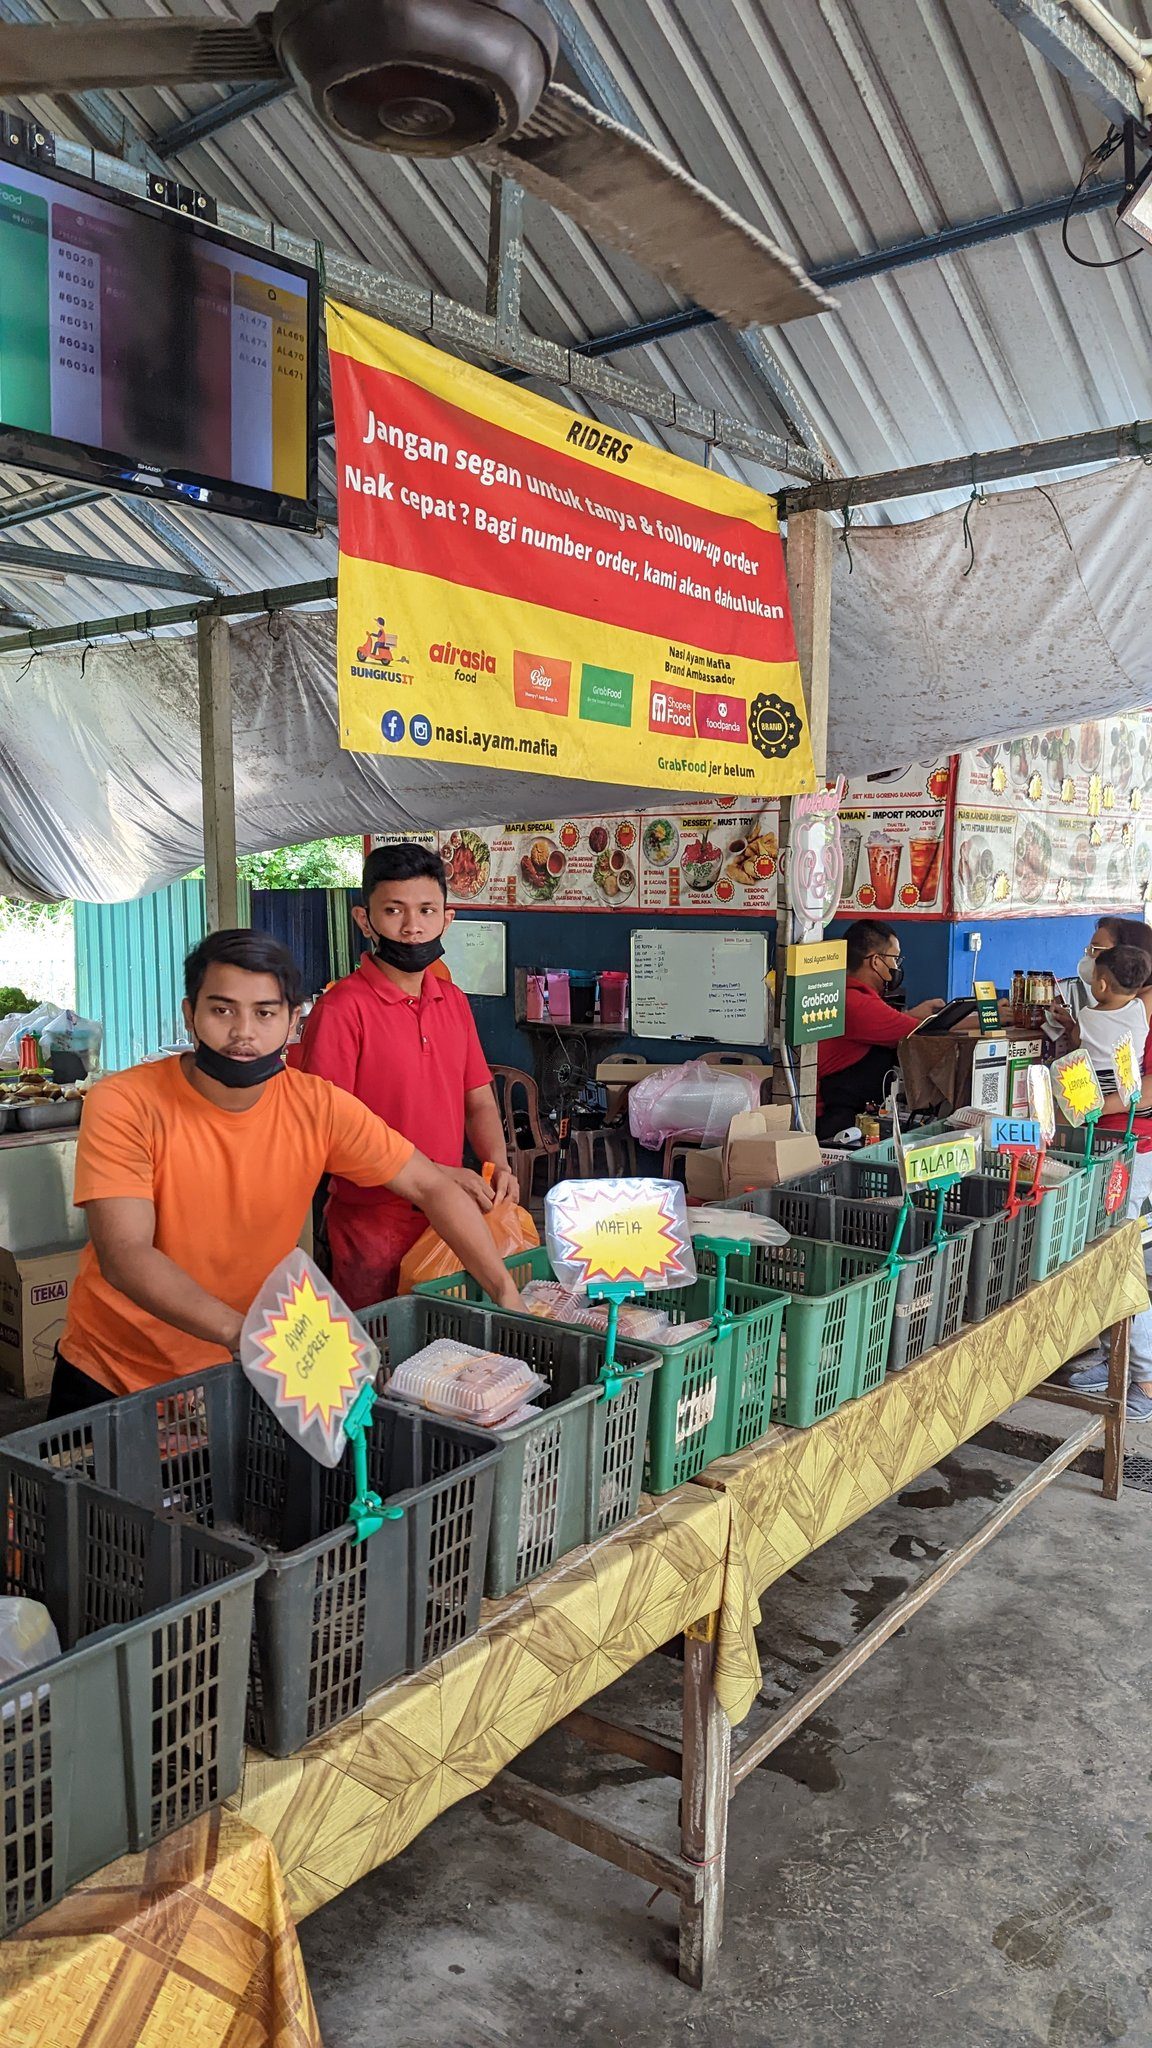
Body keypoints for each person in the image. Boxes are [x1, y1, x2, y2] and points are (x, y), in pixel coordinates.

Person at [48, 928, 522, 1416]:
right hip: (115, 1373)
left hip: (233, 1371)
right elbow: (124, 1253)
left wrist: (507, 1296)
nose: (243, 1033)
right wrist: (247, 1336)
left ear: (294, 1021)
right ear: (190, 1015)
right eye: (222, 1010)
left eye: (265, 1013)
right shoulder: (124, 1103)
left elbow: (430, 1186)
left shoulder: (316, 1106)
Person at [300, 841, 516, 1308]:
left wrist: (497, 1163)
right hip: (371, 1225)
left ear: (447, 918)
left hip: (454, 1218)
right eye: (394, 910)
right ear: (364, 919)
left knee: (448, 1354)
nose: (413, 927)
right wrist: (438, 1175)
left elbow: (478, 1098)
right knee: (382, 1352)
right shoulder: (341, 1010)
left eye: (426, 910)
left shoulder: (453, 1001)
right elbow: (332, 1136)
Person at [815, 919, 945, 1141]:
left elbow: (890, 1023)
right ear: (876, 961)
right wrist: (988, 1016)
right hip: (834, 1122)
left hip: (851, 1114)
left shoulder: (844, 994)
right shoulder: (855, 1002)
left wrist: (914, 1014)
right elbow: (918, 1030)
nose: (896, 967)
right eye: (894, 959)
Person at [1065, 944, 1150, 1084]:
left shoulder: (1086, 1015)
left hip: (1096, 1089)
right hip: (1132, 1089)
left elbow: (1074, 1045)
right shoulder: (1143, 1008)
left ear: (1101, 985)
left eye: (1093, 978)